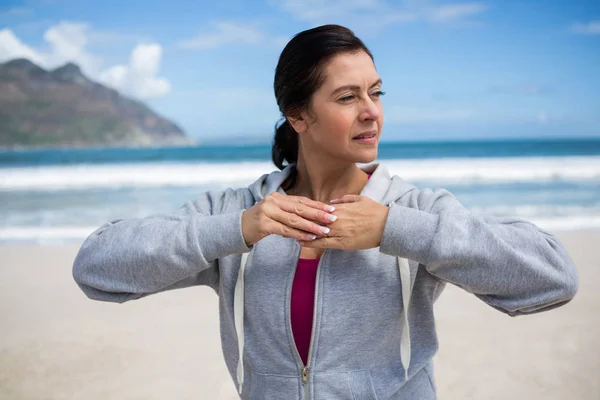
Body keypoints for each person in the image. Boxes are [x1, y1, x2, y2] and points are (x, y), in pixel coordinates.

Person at [72, 24, 579, 400]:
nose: (371, 111)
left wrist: (396, 230)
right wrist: (236, 230)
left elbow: (554, 278)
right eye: (347, 97)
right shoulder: (236, 212)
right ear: (298, 116)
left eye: (375, 93)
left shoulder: (413, 210)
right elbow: (97, 268)